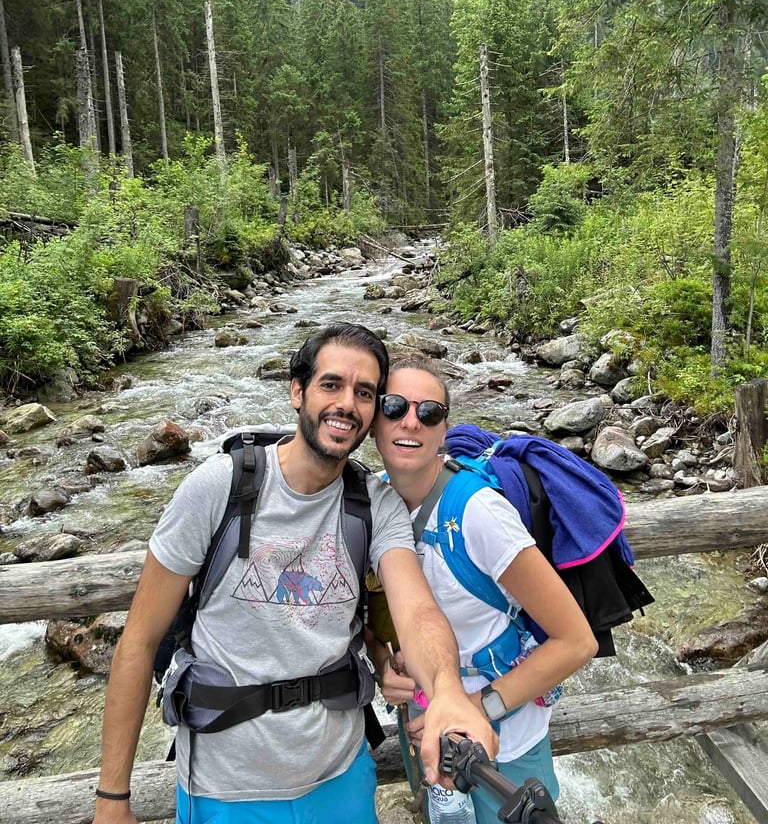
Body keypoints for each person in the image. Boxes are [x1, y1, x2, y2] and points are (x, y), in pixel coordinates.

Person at [93, 324, 496, 824]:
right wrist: (112, 800)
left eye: (365, 392)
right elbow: (139, 638)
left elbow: (417, 611)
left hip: (341, 777)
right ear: (297, 391)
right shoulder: (219, 488)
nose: (347, 403)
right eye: (331, 385)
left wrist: (449, 690)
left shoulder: (375, 504)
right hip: (224, 786)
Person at [369, 356, 598, 824]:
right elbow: (377, 619)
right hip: (427, 730)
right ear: (373, 419)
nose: (410, 420)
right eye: (393, 406)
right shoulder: (372, 501)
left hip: (505, 743)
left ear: (443, 427)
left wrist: (474, 709)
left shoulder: (478, 514)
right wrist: (381, 665)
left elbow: (576, 641)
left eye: (428, 411)